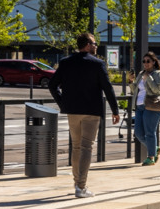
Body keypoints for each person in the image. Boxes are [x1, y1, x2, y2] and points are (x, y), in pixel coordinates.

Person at [48, 32, 120, 198]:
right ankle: (81, 187)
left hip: (72, 111)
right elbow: (107, 88)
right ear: (87, 44)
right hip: (91, 111)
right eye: (94, 43)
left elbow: (52, 86)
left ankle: (77, 182)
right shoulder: (98, 64)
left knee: (77, 146)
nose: (96, 46)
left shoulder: (66, 62)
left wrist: (63, 103)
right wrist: (115, 110)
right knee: (86, 147)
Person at [133, 51, 160, 166]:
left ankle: (151, 157)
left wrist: (149, 79)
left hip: (152, 105)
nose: (146, 63)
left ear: (153, 62)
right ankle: (154, 148)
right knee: (138, 133)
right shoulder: (141, 73)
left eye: (148, 61)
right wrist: (131, 81)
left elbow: (157, 90)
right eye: (144, 61)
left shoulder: (158, 74)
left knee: (150, 132)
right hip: (139, 106)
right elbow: (135, 90)